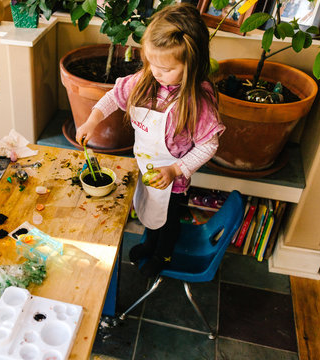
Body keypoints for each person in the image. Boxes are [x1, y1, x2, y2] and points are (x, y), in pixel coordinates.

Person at [76, 3, 225, 277]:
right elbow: (114, 96)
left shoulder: (196, 102)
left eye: (166, 68)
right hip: (145, 167)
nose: (156, 72)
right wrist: (92, 120)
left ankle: (162, 254)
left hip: (174, 180)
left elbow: (209, 145)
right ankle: (150, 244)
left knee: (167, 221)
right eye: (151, 62)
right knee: (149, 210)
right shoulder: (146, 79)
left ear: (190, 64)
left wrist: (174, 170)